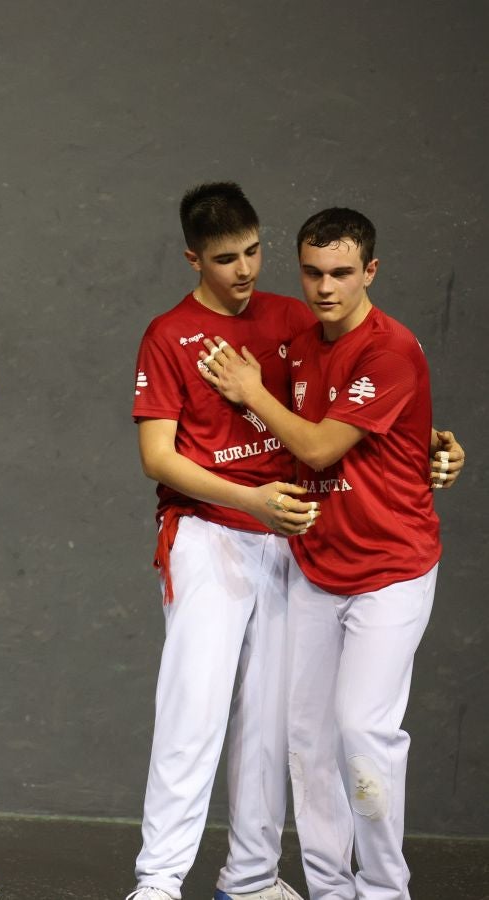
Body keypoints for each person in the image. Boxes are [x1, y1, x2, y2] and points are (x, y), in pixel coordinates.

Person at [199, 207, 451, 900]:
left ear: (370, 270)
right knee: (307, 740)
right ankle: (332, 890)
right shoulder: (304, 346)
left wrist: (249, 391)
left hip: (392, 571)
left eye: (341, 272)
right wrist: (438, 443)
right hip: (317, 567)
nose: (325, 286)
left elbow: (317, 446)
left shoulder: (389, 349)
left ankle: (384, 890)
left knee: (362, 730)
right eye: (312, 271)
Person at [126, 182, 316, 900]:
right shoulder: (169, 335)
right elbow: (158, 456)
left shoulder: (293, 319)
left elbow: (337, 414)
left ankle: (252, 876)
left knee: (270, 720)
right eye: (227, 258)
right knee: (194, 710)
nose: (245, 270)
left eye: (255, 251)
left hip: (289, 539)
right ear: (192, 258)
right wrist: (252, 499)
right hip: (206, 536)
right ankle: (158, 881)